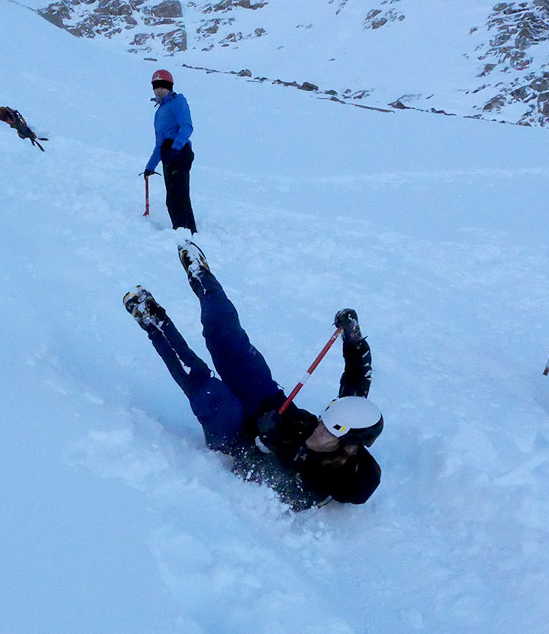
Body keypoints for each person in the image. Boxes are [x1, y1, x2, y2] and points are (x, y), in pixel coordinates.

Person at [123, 241, 382, 510]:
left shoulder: (309, 487)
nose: (319, 425)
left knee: (209, 391)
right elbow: (357, 379)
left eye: (327, 430)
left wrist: (264, 445)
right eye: (324, 420)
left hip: (237, 438)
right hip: (272, 406)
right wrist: (353, 338)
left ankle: (152, 320)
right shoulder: (349, 425)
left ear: (342, 450)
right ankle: (202, 278)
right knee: (229, 344)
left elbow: (255, 475)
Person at [144, 69, 197, 234]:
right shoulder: (160, 110)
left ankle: (184, 232)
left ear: (170, 87)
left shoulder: (177, 102)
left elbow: (187, 126)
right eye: (156, 86)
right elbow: (159, 143)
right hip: (169, 153)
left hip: (179, 153)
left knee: (177, 195)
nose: (159, 89)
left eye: (163, 86)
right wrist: (150, 166)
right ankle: (185, 231)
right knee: (174, 196)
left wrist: (176, 148)